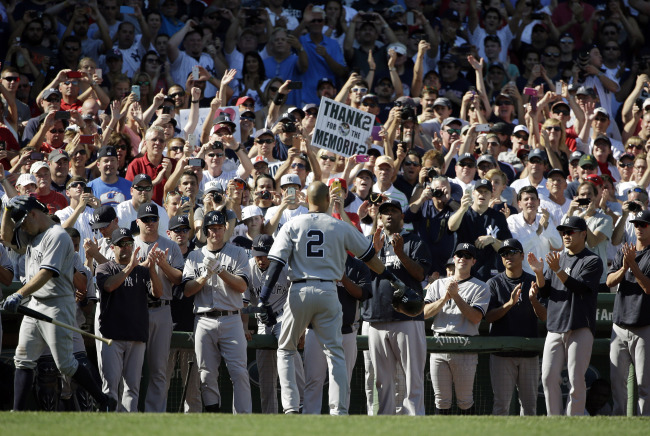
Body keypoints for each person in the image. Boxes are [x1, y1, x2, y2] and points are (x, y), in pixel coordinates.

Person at [257, 182, 414, 415]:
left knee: (286, 349)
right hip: (329, 291)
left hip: (299, 290)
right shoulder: (338, 226)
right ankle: (339, 411)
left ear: (307, 200)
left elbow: (276, 264)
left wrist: (263, 299)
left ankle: (290, 408)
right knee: (335, 353)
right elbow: (369, 255)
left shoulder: (292, 224)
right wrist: (393, 278)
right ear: (327, 202)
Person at [0, 196, 114, 412]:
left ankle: (103, 399)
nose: (22, 228)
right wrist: (7, 209)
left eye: (24, 222)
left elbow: (47, 273)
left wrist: (18, 294)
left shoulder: (58, 236)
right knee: (23, 359)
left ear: (33, 214)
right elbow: (5, 237)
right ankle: (18, 412)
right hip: (35, 302)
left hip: (57, 304)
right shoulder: (32, 233)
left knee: (66, 364)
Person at [361, 199, 431, 415]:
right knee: (381, 380)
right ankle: (384, 422)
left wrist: (400, 253)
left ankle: (414, 422)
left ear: (402, 217)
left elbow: (420, 275)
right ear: (379, 218)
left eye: (394, 211)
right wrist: (373, 254)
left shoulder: (414, 242)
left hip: (408, 318)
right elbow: (362, 277)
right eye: (385, 212)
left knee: (413, 378)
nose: (389, 214)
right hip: (377, 317)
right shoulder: (370, 244)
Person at [529, 215, 603, 416]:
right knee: (548, 377)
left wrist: (558, 270)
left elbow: (579, 288)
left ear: (583, 234)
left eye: (570, 231)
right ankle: (555, 423)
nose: (565, 235)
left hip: (580, 326)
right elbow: (546, 293)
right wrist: (538, 273)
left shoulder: (592, 260)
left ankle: (573, 423)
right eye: (563, 232)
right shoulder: (558, 259)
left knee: (576, 380)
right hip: (555, 326)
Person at [183, 210, 252, 413]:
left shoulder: (238, 252)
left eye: (219, 228)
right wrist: (205, 276)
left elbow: (242, 286)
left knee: (239, 373)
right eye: (212, 229)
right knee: (206, 373)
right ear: (206, 231)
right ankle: (214, 417)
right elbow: (187, 291)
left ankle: (244, 420)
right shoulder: (195, 255)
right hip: (204, 319)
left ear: (225, 229)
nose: (216, 232)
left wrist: (220, 271)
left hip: (231, 318)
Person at [96, 227, 162, 412]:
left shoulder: (141, 272)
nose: (126, 247)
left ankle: (127, 427)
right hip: (112, 337)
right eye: (121, 244)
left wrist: (153, 268)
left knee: (132, 388)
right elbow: (109, 286)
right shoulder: (105, 268)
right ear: (112, 247)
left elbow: (158, 293)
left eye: (129, 244)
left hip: (136, 336)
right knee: (110, 388)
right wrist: (130, 267)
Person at [422, 243, 490, 415]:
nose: (463, 259)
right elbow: (424, 313)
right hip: (439, 343)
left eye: (467, 256)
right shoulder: (438, 285)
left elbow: (476, 318)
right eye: (459, 255)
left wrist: (456, 296)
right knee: (441, 400)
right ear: (454, 258)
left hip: (465, 344)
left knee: (465, 400)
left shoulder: (481, 286)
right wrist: (445, 298)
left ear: (473, 261)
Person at [485, 239, 547, 416]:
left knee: (529, 407)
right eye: (504, 253)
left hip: (529, 353)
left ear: (522, 255)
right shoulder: (494, 283)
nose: (508, 256)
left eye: (512, 252)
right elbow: (488, 317)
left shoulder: (533, 280)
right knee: (501, 405)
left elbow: (544, 317)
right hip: (501, 354)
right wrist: (509, 304)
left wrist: (533, 300)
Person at [244, 234, 305, 414]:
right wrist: (245, 326)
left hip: (284, 317)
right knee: (266, 377)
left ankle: (303, 406)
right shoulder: (249, 267)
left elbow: (298, 298)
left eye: (264, 254)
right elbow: (244, 303)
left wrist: (300, 328)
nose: (260, 259)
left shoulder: (284, 267)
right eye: (257, 254)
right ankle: (269, 417)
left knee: (291, 359)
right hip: (263, 322)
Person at [133, 203, 184, 413]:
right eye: (145, 219)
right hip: (135, 310)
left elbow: (179, 278)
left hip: (162, 309)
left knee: (159, 370)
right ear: (138, 222)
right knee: (132, 370)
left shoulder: (169, 245)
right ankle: (127, 415)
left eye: (153, 219)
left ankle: (155, 417)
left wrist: (162, 264)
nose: (150, 223)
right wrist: (144, 266)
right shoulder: (130, 244)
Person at [606, 210, 650, 416]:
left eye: (644, 224)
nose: (639, 228)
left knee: (645, 386)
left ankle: (644, 425)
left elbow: (648, 288)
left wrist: (632, 264)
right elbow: (609, 282)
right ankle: (620, 425)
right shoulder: (625, 251)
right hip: (620, 325)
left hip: (644, 325)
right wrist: (625, 267)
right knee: (617, 383)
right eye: (637, 224)